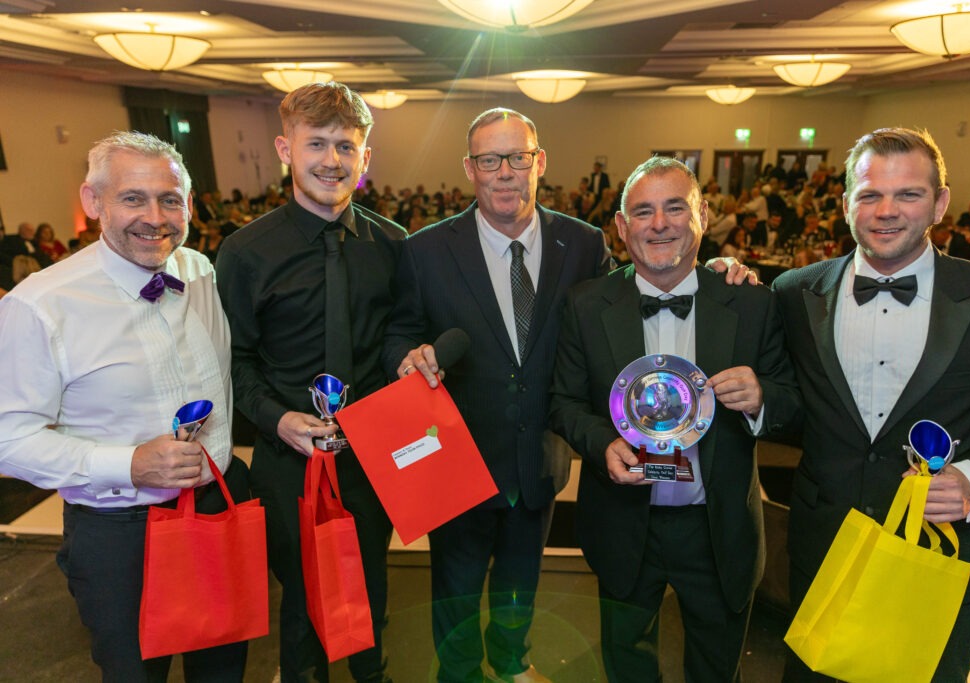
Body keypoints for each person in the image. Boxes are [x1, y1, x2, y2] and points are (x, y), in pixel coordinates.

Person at [773, 127, 970, 681]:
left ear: (940, 202)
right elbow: (782, 396)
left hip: (938, 556)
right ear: (845, 205)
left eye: (908, 194)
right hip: (825, 548)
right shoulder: (793, 292)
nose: (886, 211)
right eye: (870, 194)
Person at [0, 131, 245, 680]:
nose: (155, 217)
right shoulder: (41, 305)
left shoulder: (199, 272)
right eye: (133, 198)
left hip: (216, 509)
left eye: (171, 199)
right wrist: (128, 462)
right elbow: (7, 440)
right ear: (93, 202)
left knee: (224, 670)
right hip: (120, 537)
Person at [548, 156, 801, 682]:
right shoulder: (586, 305)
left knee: (715, 669)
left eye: (674, 208)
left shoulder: (752, 303)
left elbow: (793, 400)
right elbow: (563, 402)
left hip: (717, 527)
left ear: (702, 216)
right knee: (626, 667)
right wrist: (601, 445)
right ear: (621, 227)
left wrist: (760, 398)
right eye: (642, 211)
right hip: (623, 520)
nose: (659, 224)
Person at [383, 108, 610, 683]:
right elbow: (399, 331)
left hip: (539, 454)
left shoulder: (582, 245)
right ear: (469, 168)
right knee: (454, 594)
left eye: (518, 157)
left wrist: (717, 267)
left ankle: (511, 666)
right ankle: (457, 675)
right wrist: (406, 357)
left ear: (540, 162)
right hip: (455, 459)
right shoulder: (425, 250)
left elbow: (621, 315)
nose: (505, 172)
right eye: (490, 160)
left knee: (520, 587)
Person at [216, 81, 405, 683]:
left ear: (365, 158)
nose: (331, 160)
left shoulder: (395, 246)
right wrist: (277, 418)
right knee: (300, 598)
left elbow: (401, 339)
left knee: (372, 584)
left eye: (346, 146)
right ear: (285, 148)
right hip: (285, 458)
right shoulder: (245, 253)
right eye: (316, 143)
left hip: (370, 458)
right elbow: (234, 363)